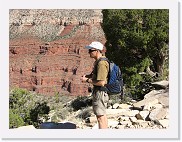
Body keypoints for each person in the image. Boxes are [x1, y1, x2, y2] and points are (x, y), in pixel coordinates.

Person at [81, 41, 109, 129]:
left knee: (100, 117)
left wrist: (87, 80)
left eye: (90, 50)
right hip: (100, 92)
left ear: (97, 51)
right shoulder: (99, 62)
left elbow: (101, 82)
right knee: (102, 116)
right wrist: (89, 75)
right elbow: (97, 76)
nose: (89, 52)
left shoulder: (101, 63)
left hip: (100, 93)